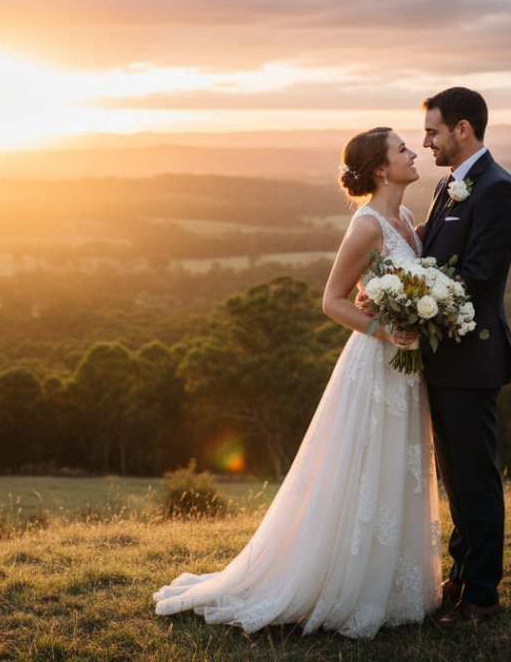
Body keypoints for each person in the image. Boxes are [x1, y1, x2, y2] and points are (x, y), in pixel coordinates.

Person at [153, 127, 442, 639]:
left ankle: (393, 584)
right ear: (380, 168)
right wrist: (385, 329)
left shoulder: (408, 221)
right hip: (375, 363)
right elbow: (332, 300)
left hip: (406, 368)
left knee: (398, 467)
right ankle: (342, 582)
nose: (413, 152)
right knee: (363, 468)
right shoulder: (368, 225)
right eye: (402, 149)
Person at [417, 87, 511, 624]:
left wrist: (412, 303)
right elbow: (431, 250)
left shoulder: (498, 190)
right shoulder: (448, 185)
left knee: (476, 476)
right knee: (455, 476)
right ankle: (461, 574)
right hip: (441, 357)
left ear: (463, 129)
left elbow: (476, 277)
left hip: (471, 358)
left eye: (433, 131)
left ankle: (482, 594)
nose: (425, 141)